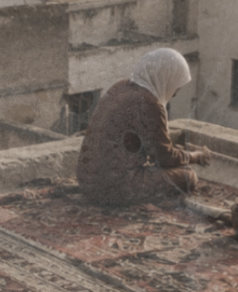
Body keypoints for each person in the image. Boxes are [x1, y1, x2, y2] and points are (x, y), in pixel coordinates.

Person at [74, 47, 211, 207]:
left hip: (86, 181)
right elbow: (164, 158)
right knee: (188, 177)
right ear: (165, 77)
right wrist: (196, 156)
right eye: (176, 87)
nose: (174, 94)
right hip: (114, 188)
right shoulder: (149, 103)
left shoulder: (120, 86)